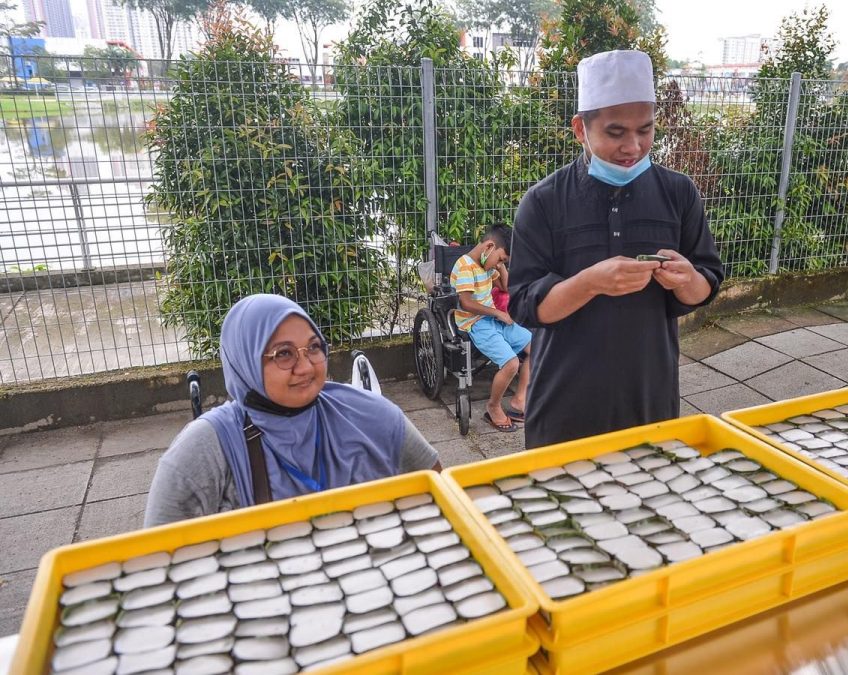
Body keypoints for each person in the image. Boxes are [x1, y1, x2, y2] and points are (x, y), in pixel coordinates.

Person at [509, 49, 725, 449]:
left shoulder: (677, 193)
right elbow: (525, 305)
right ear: (580, 129)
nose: (634, 146)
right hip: (563, 405)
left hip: (650, 400)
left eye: (645, 129)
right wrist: (589, 283)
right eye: (616, 132)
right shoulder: (544, 202)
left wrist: (688, 280)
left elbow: (706, 286)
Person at [144, 294, 440, 526]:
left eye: (313, 347)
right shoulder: (204, 450)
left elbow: (444, 494)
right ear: (245, 361)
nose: (306, 366)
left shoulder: (373, 416)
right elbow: (158, 564)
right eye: (283, 354)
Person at [451, 225, 532, 432]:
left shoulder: (487, 266)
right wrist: (497, 313)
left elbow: (505, 287)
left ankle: (518, 401)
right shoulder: (465, 266)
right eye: (501, 258)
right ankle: (493, 407)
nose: (500, 262)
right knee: (511, 363)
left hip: (493, 320)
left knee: (536, 346)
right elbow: (466, 303)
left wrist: (501, 267)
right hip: (475, 323)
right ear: (489, 246)